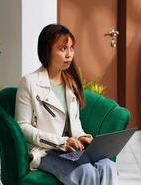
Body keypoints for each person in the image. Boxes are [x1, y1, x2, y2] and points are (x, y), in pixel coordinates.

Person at [15, 24, 118, 185]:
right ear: (47, 51)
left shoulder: (71, 83)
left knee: (108, 166)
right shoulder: (29, 82)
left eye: (71, 48)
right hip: (46, 152)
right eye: (63, 49)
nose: (69, 54)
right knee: (86, 172)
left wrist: (81, 137)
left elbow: (74, 124)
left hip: (73, 151)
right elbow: (22, 127)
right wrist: (61, 141)